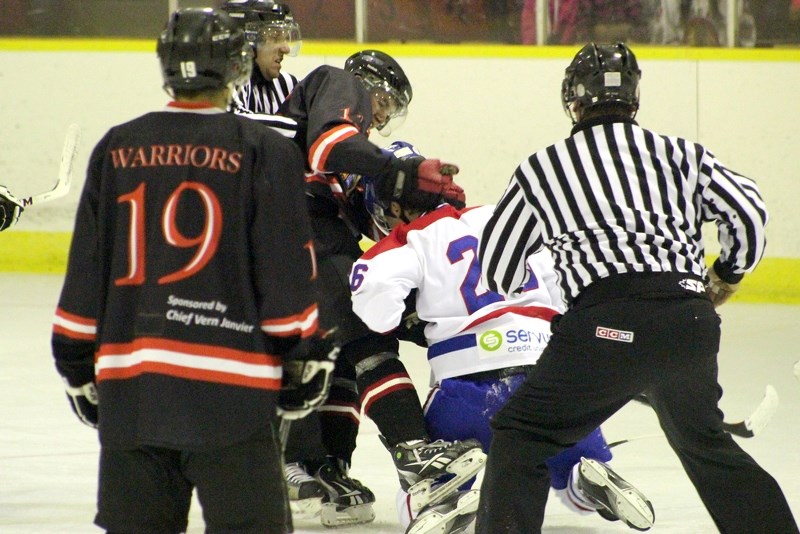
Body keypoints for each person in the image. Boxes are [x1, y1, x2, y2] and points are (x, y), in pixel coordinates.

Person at [476, 42, 799, 533]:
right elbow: (750, 210)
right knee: (705, 443)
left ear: (574, 101)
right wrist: (724, 277)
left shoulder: (543, 168)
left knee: (522, 435)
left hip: (604, 325)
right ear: (634, 99)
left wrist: (543, 284)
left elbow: (498, 266)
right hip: (689, 320)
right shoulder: (682, 154)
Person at [50, 8, 338, 533]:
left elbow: (84, 280)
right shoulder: (266, 151)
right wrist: (305, 353)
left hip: (132, 391)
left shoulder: (117, 147)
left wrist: (75, 365)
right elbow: (286, 278)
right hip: (233, 397)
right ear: (236, 67)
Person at [350, 141, 654, 534]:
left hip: (466, 390)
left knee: (425, 480)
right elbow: (568, 289)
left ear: (396, 207)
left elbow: (375, 309)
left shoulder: (409, 238)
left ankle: (440, 497)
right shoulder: (502, 220)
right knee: (558, 453)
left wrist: (410, 315)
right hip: (547, 383)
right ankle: (583, 476)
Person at [266, 50, 472, 528]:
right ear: (368, 85)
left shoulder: (335, 166)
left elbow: (371, 211)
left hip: (295, 232)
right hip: (300, 227)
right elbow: (328, 148)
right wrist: (396, 169)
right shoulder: (340, 81)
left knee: (334, 353)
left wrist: (426, 207)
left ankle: (319, 464)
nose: (380, 116)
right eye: (386, 102)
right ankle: (412, 451)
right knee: (368, 339)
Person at [222, 0, 301, 117]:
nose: (286, 48)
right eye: (275, 37)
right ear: (245, 42)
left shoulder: (288, 84)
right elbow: (238, 122)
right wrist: (299, 128)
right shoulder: (224, 82)